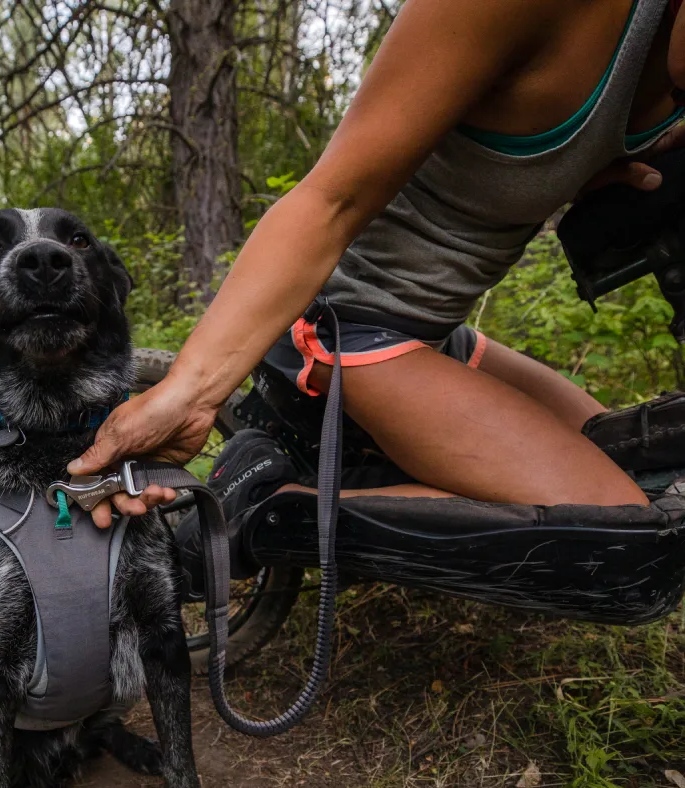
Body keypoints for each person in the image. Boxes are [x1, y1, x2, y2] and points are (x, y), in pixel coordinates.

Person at [72, 0, 685, 534]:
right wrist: (190, 393)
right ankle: (259, 502)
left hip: (437, 335)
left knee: (625, 454)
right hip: (342, 325)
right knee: (621, 525)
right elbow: (328, 202)